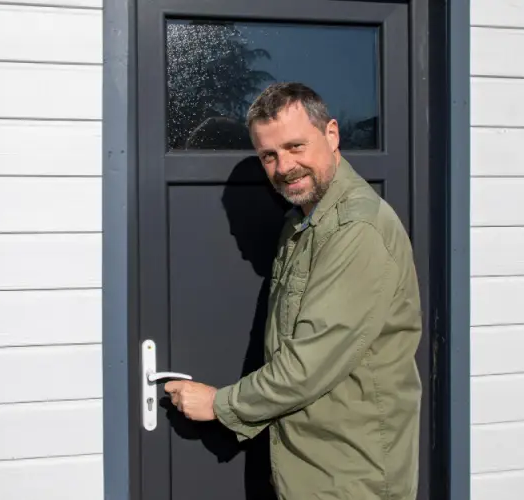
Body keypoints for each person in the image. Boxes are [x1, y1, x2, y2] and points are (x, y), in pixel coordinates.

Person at [165, 82, 423, 500]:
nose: (284, 166)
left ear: (332, 134)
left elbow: (308, 366)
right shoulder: (303, 221)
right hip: (307, 468)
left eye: (295, 146)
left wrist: (219, 404)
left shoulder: (357, 231)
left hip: (350, 478)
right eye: (270, 155)